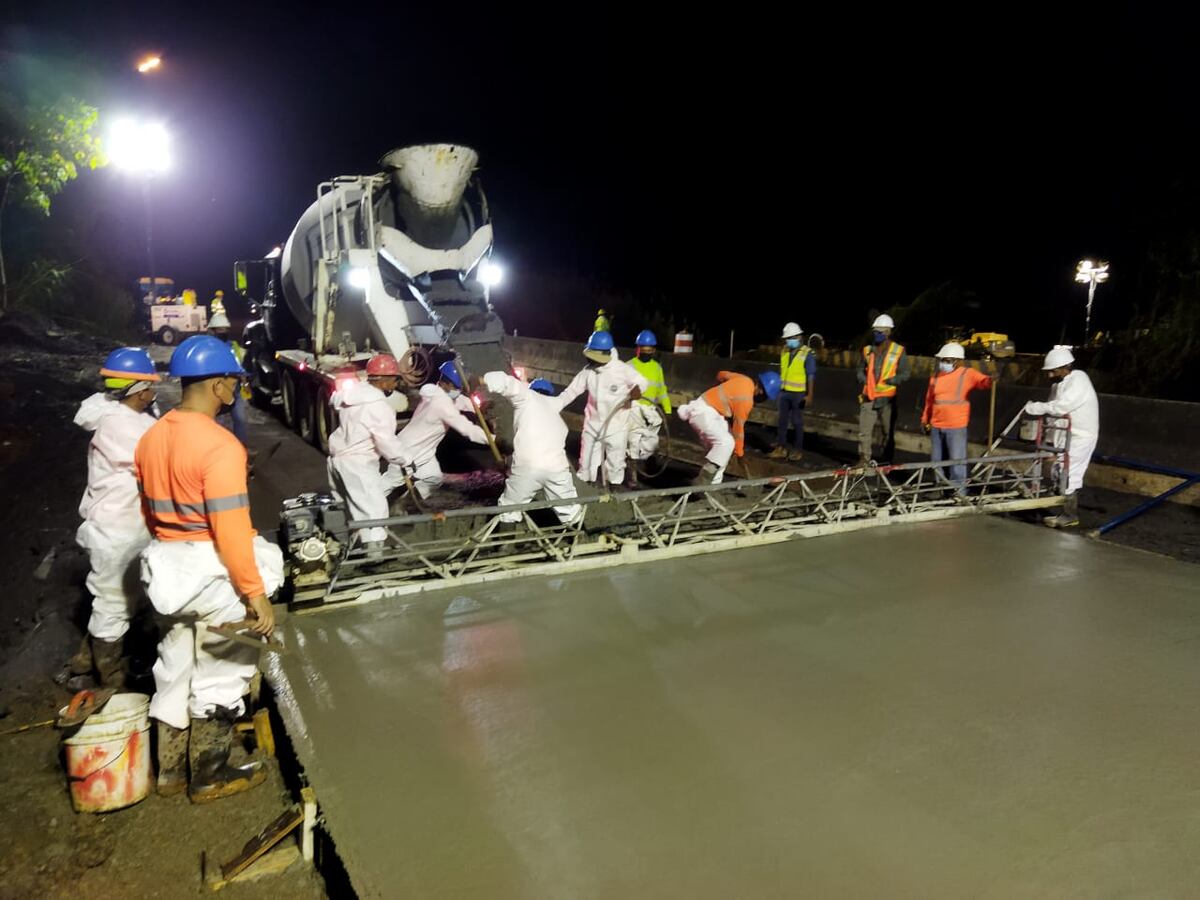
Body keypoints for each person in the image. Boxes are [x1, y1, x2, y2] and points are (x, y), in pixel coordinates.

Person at [135, 335, 283, 802]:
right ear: (219, 386)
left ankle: (170, 772)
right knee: (223, 665)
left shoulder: (151, 435)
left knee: (174, 661)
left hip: (164, 566)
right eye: (234, 384)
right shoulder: (221, 446)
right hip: (207, 570)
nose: (236, 391)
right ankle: (210, 773)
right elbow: (232, 531)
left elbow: (148, 513)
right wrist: (254, 595)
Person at [64, 348, 161, 690]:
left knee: (121, 594)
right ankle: (110, 678)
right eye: (151, 385)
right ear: (137, 390)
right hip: (118, 528)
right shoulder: (123, 425)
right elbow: (162, 459)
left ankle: (85, 659)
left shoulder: (112, 413)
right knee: (115, 601)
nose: (154, 392)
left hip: (114, 523)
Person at [326, 355, 414, 551]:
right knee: (374, 512)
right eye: (393, 378)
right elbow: (387, 443)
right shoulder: (379, 407)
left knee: (347, 511)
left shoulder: (350, 397)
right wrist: (406, 459)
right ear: (382, 379)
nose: (395, 383)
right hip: (358, 465)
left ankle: (342, 553)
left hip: (336, 462)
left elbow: (334, 401)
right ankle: (374, 558)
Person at [483, 372, 581, 526]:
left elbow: (508, 383)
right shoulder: (555, 404)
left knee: (510, 508)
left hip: (528, 468)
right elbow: (571, 392)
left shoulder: (527, 397)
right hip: (558, 469)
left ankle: (504, 545)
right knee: (570, 509)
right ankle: (577, 540)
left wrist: (483, 380)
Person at [554, 331, 648, 487]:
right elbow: (571, 391)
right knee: (587, 462)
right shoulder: (588, 372)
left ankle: (614, 487)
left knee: (615, 461)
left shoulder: (621, 369)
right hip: (592, 424)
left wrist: (638, 389)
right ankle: (586, 485)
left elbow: (641, 382)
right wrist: (553, 406)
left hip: (617, 425)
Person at [1023, 345, 1100, 528]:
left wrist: (1035, 407)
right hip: (1065, 435)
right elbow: (1053, 413)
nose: (1050, 375)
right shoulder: (1060, 385)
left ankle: (1069, 515)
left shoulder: (1079, 380)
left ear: (1064, 367)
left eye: (1052, 371)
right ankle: (1059, 506)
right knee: (1058, 471)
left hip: (1080, 436)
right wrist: (1049, 440)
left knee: (1069, 473)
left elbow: (1061, 407)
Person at [396, 360, 488, 498]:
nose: (458, 390)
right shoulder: (439, 400)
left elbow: (464, 403)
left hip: (425, 450)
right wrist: (493, 439)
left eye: (459, 388)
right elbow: (467, 429)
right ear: (444, 383)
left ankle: (407, 502)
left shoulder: (443, 396)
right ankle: (374, 514)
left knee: (433, 478)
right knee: (390, 482)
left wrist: (481, 407)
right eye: (455, 387)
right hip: (408, 448)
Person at [678, 371, 781, 484]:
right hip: (703, 412)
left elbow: (720, 374)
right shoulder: (746, 401)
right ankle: (704, 480)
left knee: (723, 451)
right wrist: (740, 454)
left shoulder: (744, 379)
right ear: (761, 392)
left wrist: (717, 390)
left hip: (713, 412)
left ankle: (713, 485)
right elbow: (738, 430)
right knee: (726, 443)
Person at [920, 342, 993, 493]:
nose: (942, 364)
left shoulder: (967, 374)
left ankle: (959, 492)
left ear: (957, 361)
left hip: (956, 426)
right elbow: (929, 400)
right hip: (936, 425)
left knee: (957, 461)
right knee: (937, 461)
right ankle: (940, 490)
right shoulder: (935, 377)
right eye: (942, 360)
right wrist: (925, 419)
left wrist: (991, 379)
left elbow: (983, 382)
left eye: (946, 360)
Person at [857, 313, 911, 464]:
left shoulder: (898, 351)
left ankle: (886, 460)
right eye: (875, 331)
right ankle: (864, 458)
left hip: (887, 398)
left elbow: (905, 372)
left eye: (880, 332)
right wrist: (863, 379)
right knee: (864, 431)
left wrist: (891, 380)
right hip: (868, 396)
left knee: (887, 432)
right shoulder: (867, 350)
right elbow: (860, 369)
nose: (877, 335)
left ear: (888, 332)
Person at [625, 329, 672, 488]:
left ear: (653, 350)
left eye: (649, 350)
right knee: (633, 441)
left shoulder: (657, 368)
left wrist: (667, 410)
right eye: (643, 349)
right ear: (637, 348)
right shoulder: (629, 366)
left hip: (651, 411)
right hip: (633, 409)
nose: (646, 352)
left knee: (651, 443)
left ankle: (640, 463)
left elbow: (662, 390)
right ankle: (632, 477)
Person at [770, 322, 817, 461]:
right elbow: (782, 371)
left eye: (792, 338)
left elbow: (811, 375)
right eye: (787, 338)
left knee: (797, 421)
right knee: (782, 421)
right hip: (784, 392)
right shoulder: (784, 351)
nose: (789, 341)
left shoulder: (807, 354)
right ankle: (781, 448)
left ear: (799, 337)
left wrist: (810, 394)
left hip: (798, 393)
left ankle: (797, 450)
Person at [207, 313, 247, 444]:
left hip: (235, 388)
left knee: (241, 420)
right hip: (217, 390)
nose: (223, 332)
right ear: (212, 331)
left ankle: (241, 449)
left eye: (225, 329)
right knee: (218, 423)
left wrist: (244, 381)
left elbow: (239, 364)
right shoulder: (208, 348)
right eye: (220, 329)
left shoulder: (233, 346)